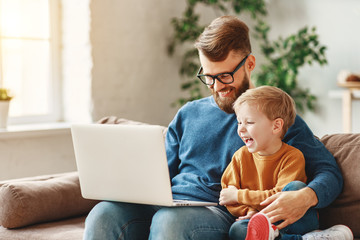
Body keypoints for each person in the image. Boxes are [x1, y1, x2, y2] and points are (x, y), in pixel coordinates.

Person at [83, 16, 344, 240]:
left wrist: (307, 197)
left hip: (216, 210)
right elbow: (159, 173)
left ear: (250, 64)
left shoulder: (272, 117)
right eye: (208, 77)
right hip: (170, 203)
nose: (217, 86)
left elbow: (328, 171)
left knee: (169, 222)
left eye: (225, 76)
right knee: (103, 213)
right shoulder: (188, 114)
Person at [219, 86, 318, 239]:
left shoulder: (292, 157)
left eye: (249, 122)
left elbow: (278, 198)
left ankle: (281, 235)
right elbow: (227, 195)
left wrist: (239, 195)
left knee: (295, 188)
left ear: (276, 126)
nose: (241, 129)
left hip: (293, 221)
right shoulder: (240, 156)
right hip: (262, 221)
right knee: (237, 230)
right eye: (239, 122)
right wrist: (248, 211)